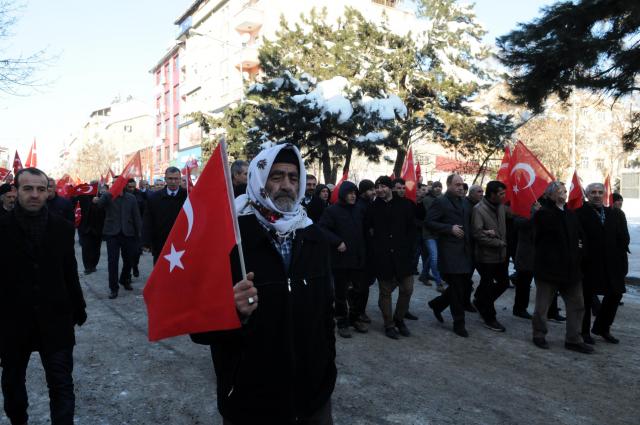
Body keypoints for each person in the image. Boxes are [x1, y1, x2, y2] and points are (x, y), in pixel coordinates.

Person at [190, 143, 336, 425]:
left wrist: (326, 366)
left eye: (294, 178)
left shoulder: (314, 236)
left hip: (312, 399)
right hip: (251, 400)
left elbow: (324, 314)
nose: (286, 186)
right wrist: (232, 310)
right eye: (277, 176)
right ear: (259, 180)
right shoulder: (230, 237)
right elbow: (199, 329)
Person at [0, 167, 87, 425]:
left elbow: (69, 271)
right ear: (16, 190)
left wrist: (78, 308)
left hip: (55, 319)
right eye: (28, 188)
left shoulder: (62, 228)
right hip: (13, 323)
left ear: (48, 191)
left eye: (41, 189)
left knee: (61, 384)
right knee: (13, 386)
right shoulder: (1, 228)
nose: (35, 194)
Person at [531, 182, 592, 353]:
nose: (563, 193)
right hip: (548, 270)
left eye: (565, 191)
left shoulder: (571, 214)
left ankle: (573, 339)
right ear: (549, 195)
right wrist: (538, 212)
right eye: (559, 191)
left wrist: (580, 251)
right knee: (542, 307)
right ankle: (539, 334)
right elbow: (537, 237)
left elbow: (581, 236)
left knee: (577, 304)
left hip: (571, 270)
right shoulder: (543, 214)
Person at [576, 183, 629, 344]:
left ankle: (602, 328)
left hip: (613, 263)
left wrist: (620, 257)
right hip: (590, 264)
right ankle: (584, 332)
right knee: (586, 298)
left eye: (600, 192)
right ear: (587, 195)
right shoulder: (578, 214)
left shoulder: (616, 214)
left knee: (615, 294)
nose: (597, 195)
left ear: (605, 194)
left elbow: (624, 238)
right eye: (593, 192)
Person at [365, 176, 416, 339]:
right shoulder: (372, 207)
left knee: (407, 289)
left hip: (403, 257)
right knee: (385, 293)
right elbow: (368, 231)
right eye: (377, 187)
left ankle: (399, 319)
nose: (379, 190)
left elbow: (411, 230)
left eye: (382, 186)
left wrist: (410, 250)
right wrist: (375, 250)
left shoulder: (406, 205)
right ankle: (389, 324)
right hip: (383, 257)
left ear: (390, 187)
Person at [426, 174, 474, 337]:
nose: (461, 187)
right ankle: (459, 323)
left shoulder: (465, 202)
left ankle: (437, 304)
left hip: (464, 251)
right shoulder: (440, 201)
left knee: (460, 287)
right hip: (449, 252)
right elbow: (429, 222)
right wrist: (449, 228)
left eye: (462, 184)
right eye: (457, 184)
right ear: (449, 185)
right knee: (457, 289)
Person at [319, 181, 368, 337]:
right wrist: (337, 241)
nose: (353, 196)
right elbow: (322, 229)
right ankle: (342, 322)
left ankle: (355, 318)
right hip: (340, 259)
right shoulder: (332, 211)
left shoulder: (359, 209)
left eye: (355, 193)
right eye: (350, 193)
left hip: (357, 258)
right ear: (343, 194)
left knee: (358, 290)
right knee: (340, 293)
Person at [93, 178, 142, 299]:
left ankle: (124, 279)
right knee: (112, 262)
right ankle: (113, 288)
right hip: (112, 234)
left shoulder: (131, 198)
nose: (117, 185)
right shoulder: (108, 197)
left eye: (119, 183)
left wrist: (139, 234)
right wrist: (104, 196)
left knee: (129, 260)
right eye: (114, 183)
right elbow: (99, 206)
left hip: (128, 233)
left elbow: (136, 217)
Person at [471, 181, 510, 332]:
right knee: (487, 287)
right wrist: (498, 243)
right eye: (501, 194)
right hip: (485, 256)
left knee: (503, 283)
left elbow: (512, 214)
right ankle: (489, 317)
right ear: (492, 194)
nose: (503, 196)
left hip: (500, 255)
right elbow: (478, 234)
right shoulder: (478, 209)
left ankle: (480, 301)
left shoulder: (500, 207)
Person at [142, 167, 187, 264]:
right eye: (170, 178)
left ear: (180, 179)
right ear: (165, 179)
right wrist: (146, 241)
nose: (173, 182)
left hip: (183, 244)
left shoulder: (188, 196)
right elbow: (148, 220)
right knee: (160, 273)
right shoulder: (154, 198)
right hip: (160, 243)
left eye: (176, 179)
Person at [351, 179, 376, 325]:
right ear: (363, 191)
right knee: (362, 285)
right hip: (362, 250)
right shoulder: (360, 206)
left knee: (365, 283)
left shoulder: (369, 204)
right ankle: (359, 312)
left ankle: (358, 310)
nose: (373, 192)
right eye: (370, 189)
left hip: (368, 250)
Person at [75, 180, 105, 274]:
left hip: (98, 228)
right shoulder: (83, 197)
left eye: (96, 186)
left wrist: (99, 202)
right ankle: (87, 267)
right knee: (86, 248)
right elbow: (74, 201)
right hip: (85, 228)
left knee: (96, 249)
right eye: (93, 186)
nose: (94, 188)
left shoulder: (102, 197)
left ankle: (94, 265)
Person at [127, 179, 146, 278]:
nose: (131, 189)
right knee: (128, 252)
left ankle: (135, 266)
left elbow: (145, 208)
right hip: (127, 227)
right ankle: (127, 273)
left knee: (137, 252)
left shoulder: (140, 194)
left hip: (138, 227)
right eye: (129, 187)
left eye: (133, 187)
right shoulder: (123, 195)